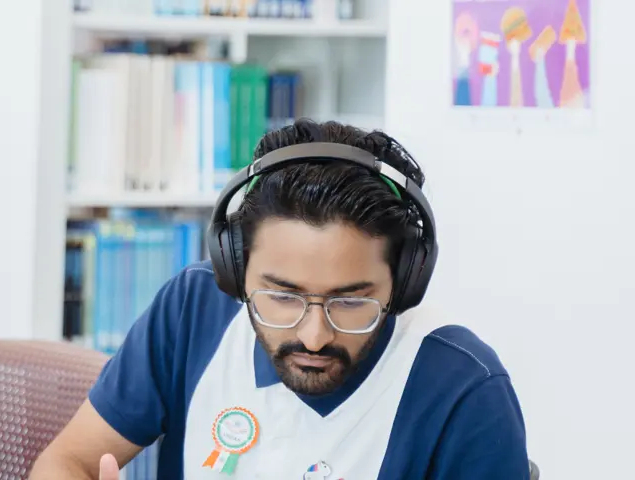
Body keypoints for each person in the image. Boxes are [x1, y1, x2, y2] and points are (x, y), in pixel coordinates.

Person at [29, 120, 527, 479]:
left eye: (350, 302)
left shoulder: (463, 388)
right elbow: (67, 460)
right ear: (235, 269)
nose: (314, 335)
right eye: (282, 297)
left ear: (403, 283)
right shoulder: (192, 309)